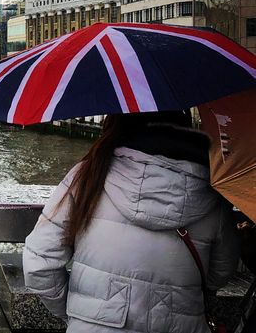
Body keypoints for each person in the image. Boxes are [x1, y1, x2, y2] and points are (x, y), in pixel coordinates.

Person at [23, 111, 240, 333]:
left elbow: (40, 261)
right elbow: (222, 271)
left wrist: (78, 314)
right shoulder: (213, 193)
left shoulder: (88, 176)